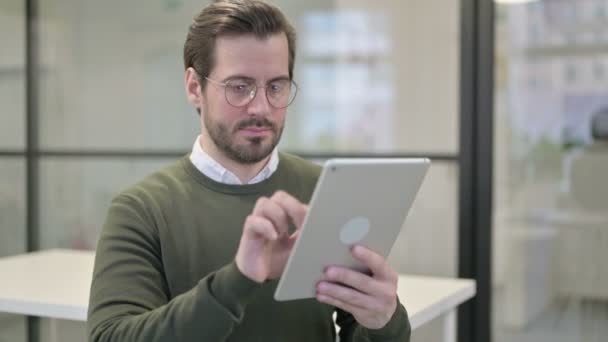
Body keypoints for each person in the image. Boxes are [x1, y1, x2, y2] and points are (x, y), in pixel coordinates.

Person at [87, 1, 411, 341]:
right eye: (239, 87)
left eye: (276, 86)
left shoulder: (324, 191)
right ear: (195, 87)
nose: (260, 107)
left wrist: (385, 321)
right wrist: (238, 279)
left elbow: (361, 328)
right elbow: (111, 336)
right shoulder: (141, 209)